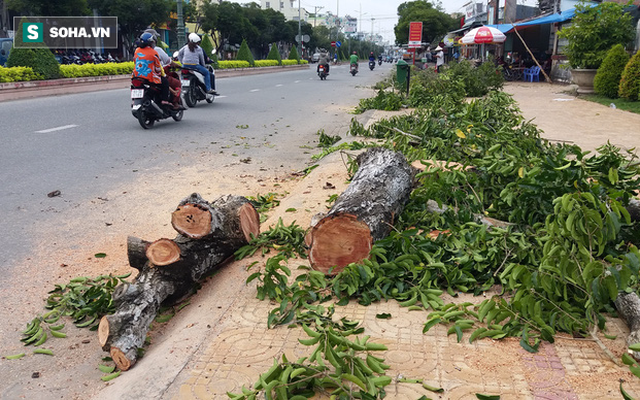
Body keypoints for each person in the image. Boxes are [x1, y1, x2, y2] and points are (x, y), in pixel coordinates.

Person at [144, 28, 182, 108]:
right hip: (155, 75)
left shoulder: (138, 51)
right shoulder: (156, 51)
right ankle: (173, 103)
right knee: (175, 83)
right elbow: (166, 63)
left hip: (141, 75)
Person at [132, 32, 172, 108]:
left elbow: (135, 61)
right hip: (149, 77)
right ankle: (164, 100)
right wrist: (161, 74)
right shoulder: (154, 52)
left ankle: (134, 100)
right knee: (165, 82)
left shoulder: (137, 51)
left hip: (136, 75)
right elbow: (158, 68)